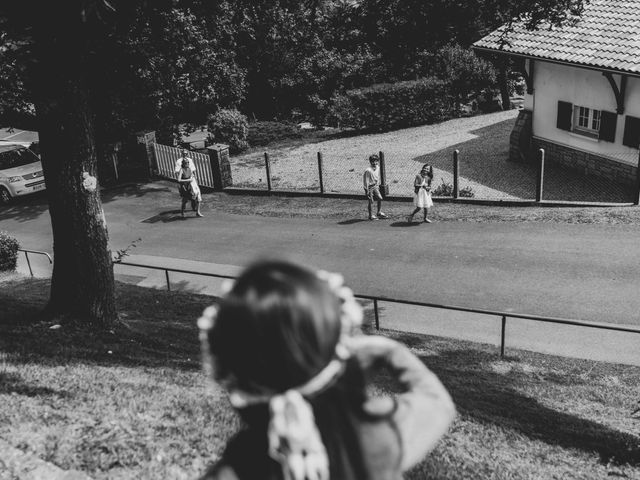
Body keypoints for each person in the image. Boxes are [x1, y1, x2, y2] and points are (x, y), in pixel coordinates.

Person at [197, 260, 455, 480]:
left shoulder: (239, 466)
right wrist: (390, 350)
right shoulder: (384, 431)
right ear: (344, 354)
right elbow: (437, 402)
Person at [362, 154, 387, 220]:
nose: (374, 163)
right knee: (371, 201)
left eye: (376, 161)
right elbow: (366, 181)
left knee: (380, 198)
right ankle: (371, 216)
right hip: (370, 187)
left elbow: (377, 177)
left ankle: (379, 212)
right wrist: (366, 190)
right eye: (373, 161)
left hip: (375, 186)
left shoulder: (378, 167)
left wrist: (378, 184)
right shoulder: (368, 170)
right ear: (370, 162)